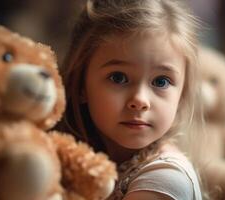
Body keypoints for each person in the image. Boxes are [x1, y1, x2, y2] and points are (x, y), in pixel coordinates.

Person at [57, 0, 205, 199]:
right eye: (118, 78)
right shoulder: (79, 162)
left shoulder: (166, 179)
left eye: (161, 81)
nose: (140, 100)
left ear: (182, 94)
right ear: (81, 84)